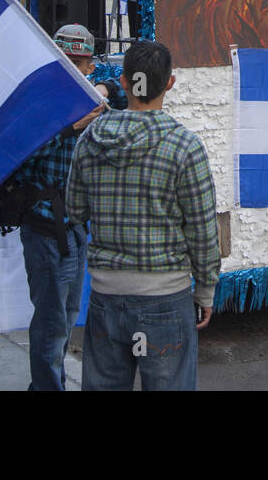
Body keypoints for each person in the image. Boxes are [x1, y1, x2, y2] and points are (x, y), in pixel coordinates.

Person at [66, 40, 221, 391]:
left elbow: (75, 210)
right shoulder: (185, 146)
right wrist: (206, 290)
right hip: (165, 298)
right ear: (169, 83)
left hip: (106, 296)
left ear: (123, 82)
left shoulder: (90, 139)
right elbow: (202, 229)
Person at [8, 23, 126, 391]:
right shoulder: (38, 100)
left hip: (75, 227)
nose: (77, 68)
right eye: (69, 60)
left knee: (69, 314)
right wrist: (69, 128)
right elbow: (17, 155)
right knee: (50, 323)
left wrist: (105, 89)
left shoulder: (91, 96)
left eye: (82, 62)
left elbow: (124, 98)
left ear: (91, 65)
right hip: (44, 226)